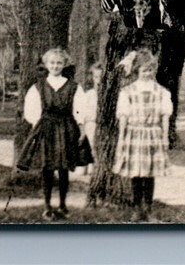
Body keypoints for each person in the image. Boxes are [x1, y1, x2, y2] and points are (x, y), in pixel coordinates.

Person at [15, 47, 85, 219]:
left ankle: (62, 205)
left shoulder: (73, 87)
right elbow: (31, 110)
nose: (55, 66)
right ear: (46, 64)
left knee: (63, 167)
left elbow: (79, 109)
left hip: (66, 127)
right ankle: (46, 205)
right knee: (47, 167)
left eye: (59, 63)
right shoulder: (38, 87)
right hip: (46, 128)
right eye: (52, 63)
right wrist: (37, 127)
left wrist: (81, 128)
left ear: (64, 64)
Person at [114, 50, 172, 223]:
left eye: (150, 70)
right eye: (144, 70)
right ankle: (136, 208)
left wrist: (165, 137)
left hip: (153, 133)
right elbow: (123, 117)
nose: (147, 73)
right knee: (136, 174)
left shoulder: (161, 92)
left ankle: (148, 208)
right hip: (134, 133)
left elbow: (164, 116)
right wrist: (122, 138)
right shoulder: (128, 91)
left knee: (149, 174)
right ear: (137, 70)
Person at [72, 64, 102, 176]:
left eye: (101, 78)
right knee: (89, 143)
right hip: (91, 124)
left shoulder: (109, 96)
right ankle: (86, 166)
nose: (99, 81)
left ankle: (96, 168)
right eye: (96, 77)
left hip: (102, 125)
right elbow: (82, 113)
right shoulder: (89, 94)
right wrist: (82, 128)